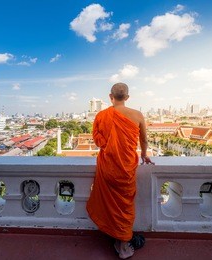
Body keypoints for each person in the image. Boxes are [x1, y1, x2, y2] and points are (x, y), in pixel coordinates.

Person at [86, 82, 154, 259]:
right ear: (127, 97)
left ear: (111, 97)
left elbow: (98, 141)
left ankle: (119, 239)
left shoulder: (102, 115)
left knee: (110, 204)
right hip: (126, 169)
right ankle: (123, 245)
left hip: (108, 168)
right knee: (124, 206)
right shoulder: (137, 115)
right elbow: (144, 140)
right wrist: (144, 155)